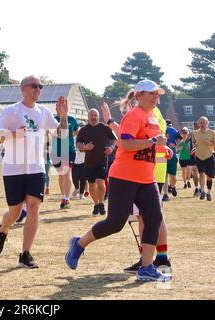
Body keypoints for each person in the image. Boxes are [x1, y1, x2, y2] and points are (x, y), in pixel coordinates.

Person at [65, 79, 172, 282]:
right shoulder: (134, 115)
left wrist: (161, 149)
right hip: (124, 177)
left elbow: (150, 145)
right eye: (152, 94)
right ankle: (79, 244)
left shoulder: (152, 118)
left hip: (147, 179)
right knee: (115, 223)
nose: (156, 97)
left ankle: (147, 267)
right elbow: (126, 143)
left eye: (158, 94)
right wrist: (152, 142)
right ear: (139, 95)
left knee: (154, 218)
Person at [0, 76, 68, 269]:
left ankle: (25, 254)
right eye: (35, 86)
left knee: (33, 207)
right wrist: (14, 134)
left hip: (36, 168)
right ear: (23, 89)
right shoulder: (11, 111)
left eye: (40, 87)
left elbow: (62, 133)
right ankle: (4, 228)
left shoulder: (44, 112)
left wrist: (64, 117)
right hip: (13, 169)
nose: (38, 89)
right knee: (15, 213)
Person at [102, 100, 173, 274]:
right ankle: (158, 258)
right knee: (153, 216)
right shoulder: (154, 113)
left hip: (144, 169)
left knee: (148, 217)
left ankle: (149, 260)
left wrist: (111, 122)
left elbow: (131, 139)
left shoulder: (147, 113)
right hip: (154, 166)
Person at [76, 109, 117, 215]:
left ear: (98, 116)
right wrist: (85, 147)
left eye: (95, 115)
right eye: (91, 115)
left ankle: (102, 203)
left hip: (102, 160)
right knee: (92, 186)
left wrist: (111, 147)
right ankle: (96, 204)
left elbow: (114, 139)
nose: (93, 117)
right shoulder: (84, 130)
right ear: (88, 117)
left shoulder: (105, 128)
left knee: (100, 181)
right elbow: (79, 144)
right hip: (89, 162)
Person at [51, 106, 78, 209]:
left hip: (69, 151)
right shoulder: (52, 120)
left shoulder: (72, 119)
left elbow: (76, 133)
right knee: (61, 175)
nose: (60, 109)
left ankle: (66, 199)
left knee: (66, 173)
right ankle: (63, 196)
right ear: (56, 109)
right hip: (56, 152)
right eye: (58, 107)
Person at [193, 116, 215, 201]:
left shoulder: (212, 133)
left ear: (207, 123)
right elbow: (194, 143)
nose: (202, 124)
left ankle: (208, 192)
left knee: (209, 176)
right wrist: (195, 145)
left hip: (209, 156)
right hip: (199, 156)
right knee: (201, 174)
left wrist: (209, 143)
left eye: (203, 122)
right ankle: (202, 191)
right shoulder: (195, 133)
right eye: (200, 122)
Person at [162, 120, 182, 201]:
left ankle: (173, 186)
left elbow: (180, 139)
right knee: (164, 176)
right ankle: (165, 194)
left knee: (173, 176)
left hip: (172, 156)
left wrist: (175, 144)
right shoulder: (159, 130)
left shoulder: (173, 130)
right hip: (162, 156)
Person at [71, 122, 87, 200]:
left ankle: (81, 194)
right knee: (74, 177)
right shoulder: (73, 139)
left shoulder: (86, 139)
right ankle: (77, 188)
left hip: (84, 161)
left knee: (83, 178)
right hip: (74, 161)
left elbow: (86, 149)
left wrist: (83, 149)